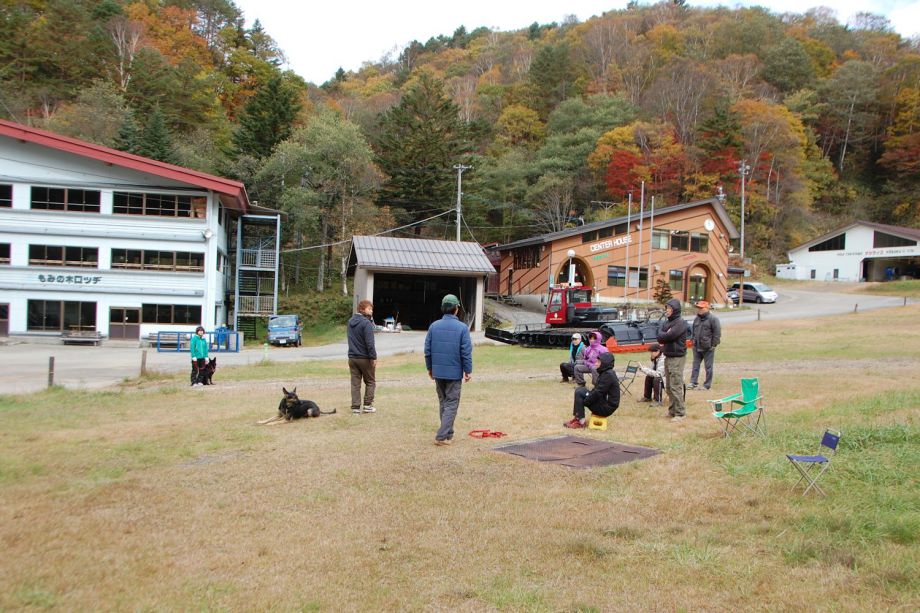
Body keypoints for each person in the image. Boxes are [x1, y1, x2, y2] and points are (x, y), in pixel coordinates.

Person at [424, 294, 473, 446]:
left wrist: (430, 368)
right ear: (456, 309)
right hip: (454, 373)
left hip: (438, 372)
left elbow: (427, 350)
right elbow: (466, 352)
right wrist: (468, 370)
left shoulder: (433, 326)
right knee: (451, 404)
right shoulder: (463, 328)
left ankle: (448, 434)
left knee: (444, 402)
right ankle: (441, 436)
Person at [564, 352, 620, 428]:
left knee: (579, 393)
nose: (596, 364)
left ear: (605, 363)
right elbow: (597, 390)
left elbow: (598, 392)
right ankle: (578, 418)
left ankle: (580, 422)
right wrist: (587, 397)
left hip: (605, 408)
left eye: (598, 362)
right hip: (603, 403)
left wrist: (586, 401)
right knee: (580, 390)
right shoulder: (606, 373)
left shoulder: (608, 375)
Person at [656, 298, 688, 422]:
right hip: (668, 355)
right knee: (669, 386)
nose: (667, 311)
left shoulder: (680, 323)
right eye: (666, 308)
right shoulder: (667, 323)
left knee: (676, 385)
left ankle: (680, 413)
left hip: (677, 357)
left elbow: (670, 336)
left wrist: (664, 335)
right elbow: (660, 336)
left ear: (675, 309)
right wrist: (664, 334)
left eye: (669, 308)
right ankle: (672, 410)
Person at [347, 299, 378, 414]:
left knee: (355, 384)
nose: (371, 311)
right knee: (370, 382)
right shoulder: (366, 323)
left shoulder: (350, 321)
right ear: (362, 309)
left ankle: (355, 407)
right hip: (364, 358)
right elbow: (370, 343)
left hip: (352, 357)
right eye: (369, 309)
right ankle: (367, 405)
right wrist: (373, 357)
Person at [689, 300, 721, 391]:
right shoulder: (696, 318)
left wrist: (713, 345)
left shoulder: (713, 319)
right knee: (695, 365)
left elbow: (717, 333)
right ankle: (693, 382)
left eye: (701, 308)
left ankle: (707, 385)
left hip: (708, 347)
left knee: (708, 367)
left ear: (707, 308)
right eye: (698, 308)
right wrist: (693, 341)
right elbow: (693, 331)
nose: (699, 310)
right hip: (696, 346)